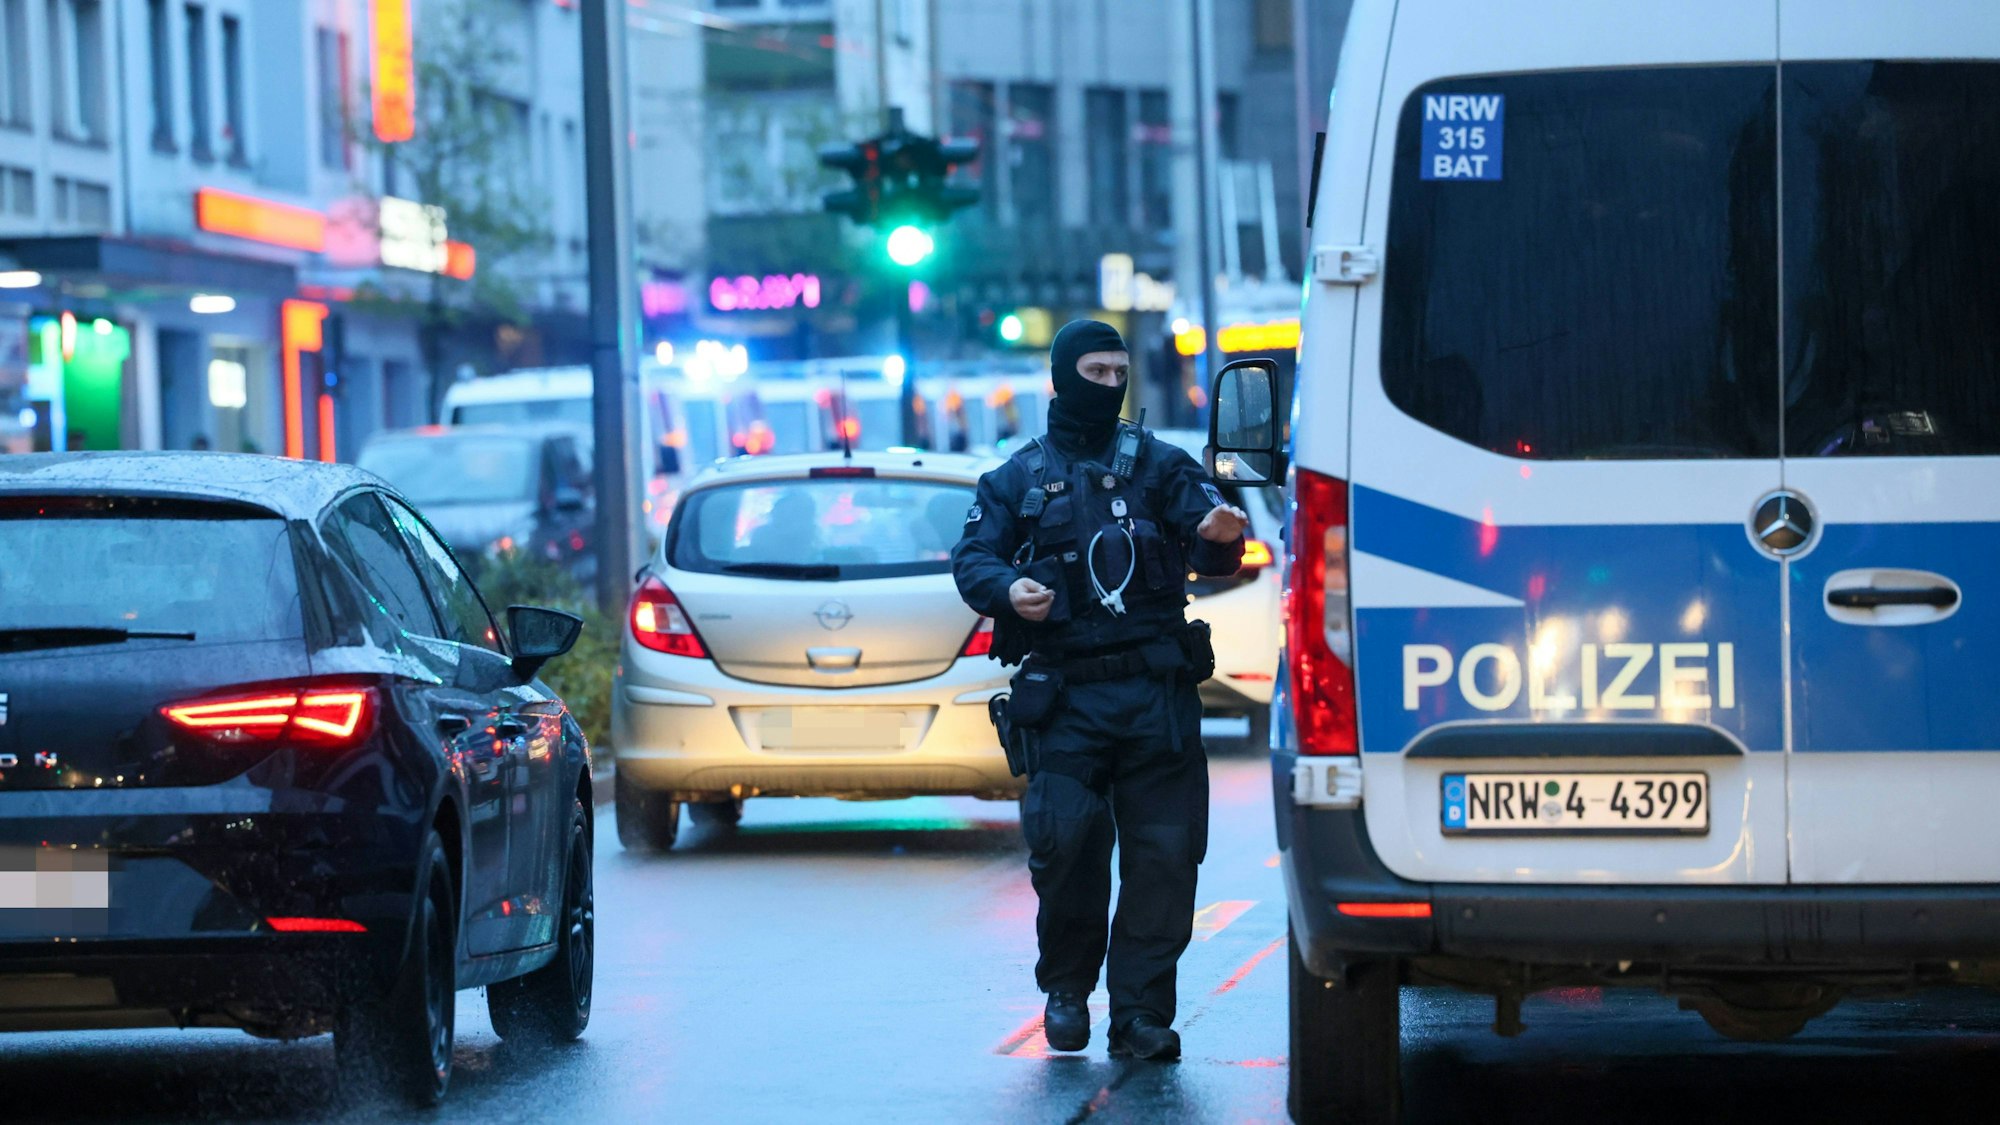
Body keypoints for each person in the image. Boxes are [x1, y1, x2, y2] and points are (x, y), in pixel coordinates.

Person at [951, 319, 1248, 1061]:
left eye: (1121, 373)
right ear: (1061, 378)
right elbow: (970, 559)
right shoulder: (1016, 478)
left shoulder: (1160, 465)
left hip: (1156, 694)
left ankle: (1142, 1013)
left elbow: (1215, 542)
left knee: (1165, 856)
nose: (1111, 386)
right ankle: (1067, 992)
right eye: (1097, 371)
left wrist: (1218, 530)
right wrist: (1007, 586)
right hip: (1067, 701)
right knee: (1069, 848)